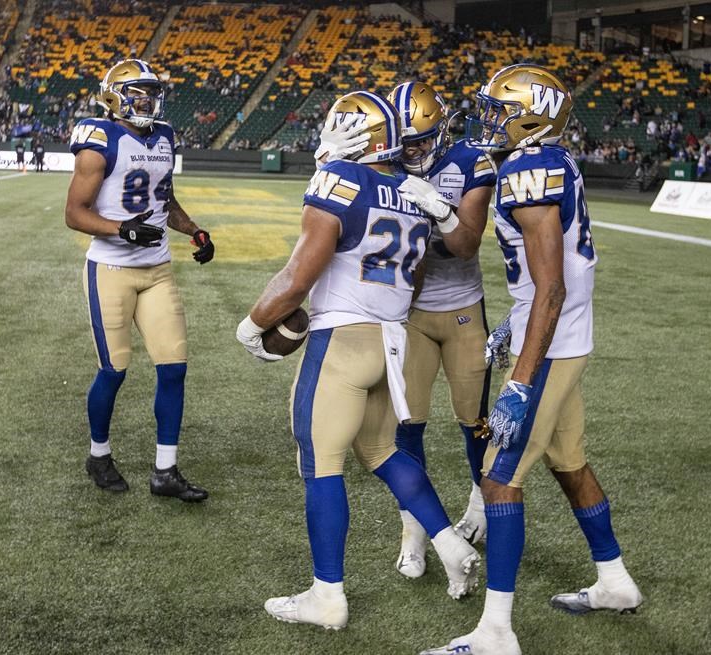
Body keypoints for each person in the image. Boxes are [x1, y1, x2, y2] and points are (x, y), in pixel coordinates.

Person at [237, 91, 480, 631]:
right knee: (382, 450)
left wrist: (253, 325)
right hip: (391, 341)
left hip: (341, 340)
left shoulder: (337, 181)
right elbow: (413, 276)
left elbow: (300, 274)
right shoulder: (414, 193)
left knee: (321, 463)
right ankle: (448, 545)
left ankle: (327, 597)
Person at [423, 64, 642, 655]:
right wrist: (514, 329)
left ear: (531, 117)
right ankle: (616, 581)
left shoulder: (527, 168)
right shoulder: (550, 158)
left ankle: (496, 633)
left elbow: (551, 288)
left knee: (498, 480)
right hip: (556, 337)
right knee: (569, 464)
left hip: (551, 344)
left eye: (499, 109)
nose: (489, 118)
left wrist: (521, 381)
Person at [64, 59, 215, 501]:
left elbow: (163, 197)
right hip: (111, 269)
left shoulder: (164, 136)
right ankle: (98, 455)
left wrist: (194, 230)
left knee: (174, 367)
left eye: (150, 92)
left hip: (158, 269)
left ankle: (165, 471)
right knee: (113, 371)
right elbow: (74, 213)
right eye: (137, 92)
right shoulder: (99, 139)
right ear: (114, 96)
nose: (147, 100)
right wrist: (122, 229)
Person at [383, 80, 497, 577]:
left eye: (423, 140)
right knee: (408, 426)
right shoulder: (382, 162)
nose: (414, 152)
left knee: (475, 420)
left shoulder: (471, 160)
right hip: (407, 312)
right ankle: (414, 530)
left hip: (462, 308)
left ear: (444, 130)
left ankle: (479, 502)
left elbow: (466, 244)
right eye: (405, 143)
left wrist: (439, 210)